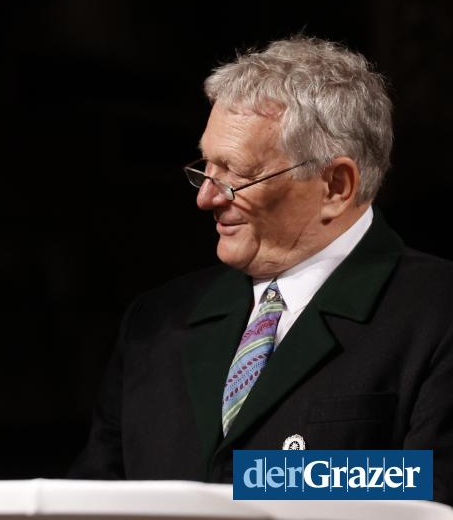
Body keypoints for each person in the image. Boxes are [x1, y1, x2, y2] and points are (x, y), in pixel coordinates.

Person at [69, 37, 453, 502]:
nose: (206, 197)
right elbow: (93, 498)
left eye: (238, 174)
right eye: (207, 166)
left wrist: (252, 481)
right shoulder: (154, 322)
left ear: (336, 185)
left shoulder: (437, 313)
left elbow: (432, 491)